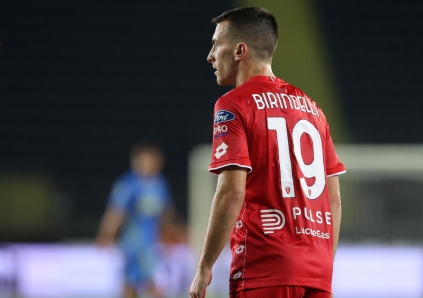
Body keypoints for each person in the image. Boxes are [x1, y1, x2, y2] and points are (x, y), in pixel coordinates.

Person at [189, 6, 346, 298]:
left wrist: (204, 266)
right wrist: (323, 265)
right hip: (318, 272)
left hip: (265, 267)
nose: (210, 56)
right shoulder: (313, 109)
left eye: (215, 45)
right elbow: (333, 199)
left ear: (239, 50)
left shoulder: (233, 104)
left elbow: (231, 192)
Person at [96, 141, 180, 298]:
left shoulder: (160, 184)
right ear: (137, 161)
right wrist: (106, 235)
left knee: (138, 282)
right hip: (133, 242)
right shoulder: (128, 184)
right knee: (139, 283)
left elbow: (166, 213)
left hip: (151, 242)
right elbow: (115, 213)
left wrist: (171, 233)